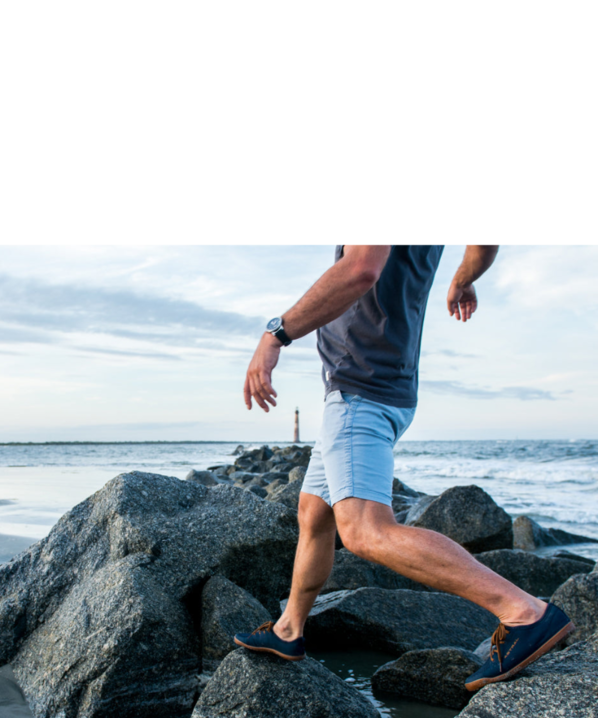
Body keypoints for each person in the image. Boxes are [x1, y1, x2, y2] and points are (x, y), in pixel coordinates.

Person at [234, 243, 574, 692]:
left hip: (361, 386)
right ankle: (288, 630)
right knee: (314, 512)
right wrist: (464, 278)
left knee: (364, 530)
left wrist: (275, 334)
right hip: (377, 384)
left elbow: (360, 269)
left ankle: (525, 612)